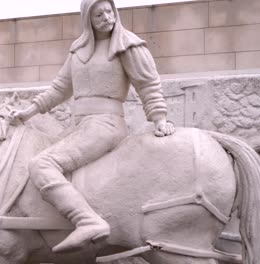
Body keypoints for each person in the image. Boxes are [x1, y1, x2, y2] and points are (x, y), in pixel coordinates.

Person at [10, 0, 175, 254]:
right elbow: (59, 89)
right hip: (81, 126)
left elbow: (148, 84)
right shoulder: (78, 50)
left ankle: (89, 221)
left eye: (109, 11)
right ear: (87, 18)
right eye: (99, 14)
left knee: (41, 164)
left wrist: (159, 118)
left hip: (106, 125)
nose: (107, 17)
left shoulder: (126, 44)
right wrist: (29, 111)